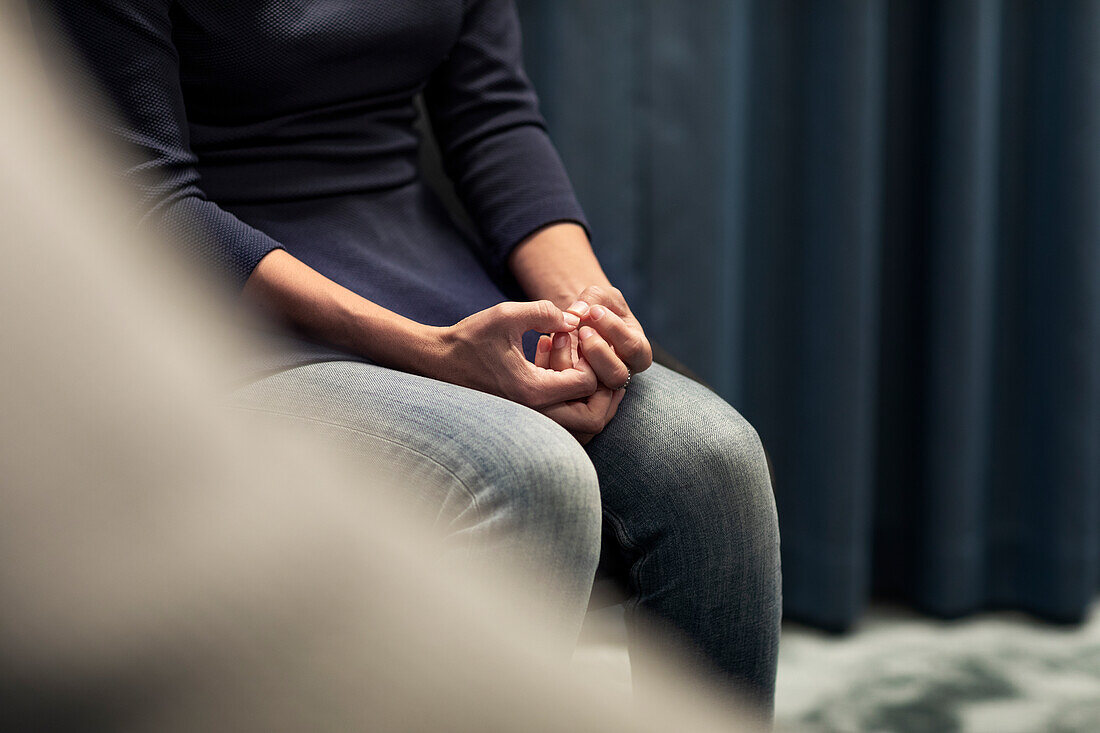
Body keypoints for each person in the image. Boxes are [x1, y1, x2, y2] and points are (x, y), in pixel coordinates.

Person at [34, 0, 781, 715]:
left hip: (439, 291)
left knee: (712, 458)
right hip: (226, 327)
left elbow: (493, 117)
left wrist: (585, 313)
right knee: (526, 473)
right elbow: (149, 203)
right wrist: (429, 351)